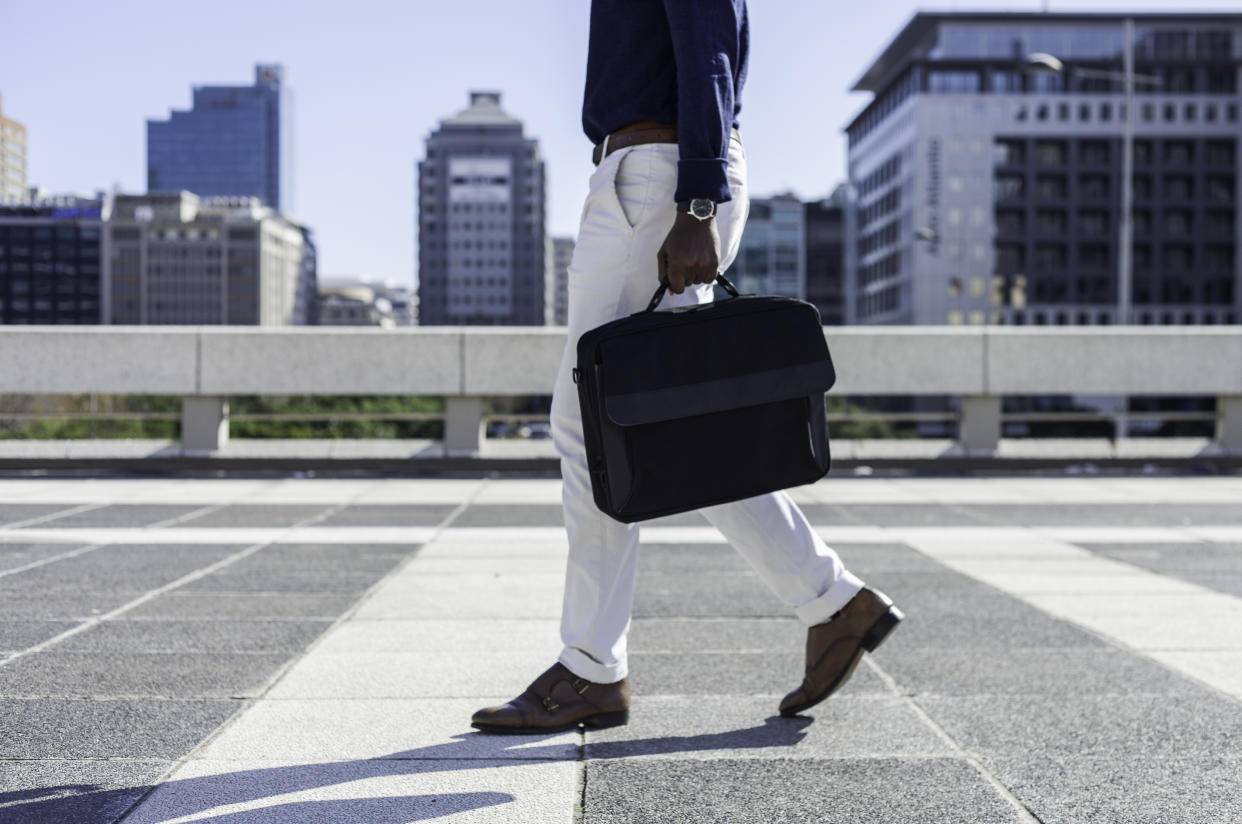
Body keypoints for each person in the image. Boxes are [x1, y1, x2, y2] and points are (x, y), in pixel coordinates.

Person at [471, 0, 902, 734]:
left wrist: (696, 200)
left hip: (659, 174)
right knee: (681, 434)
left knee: (590, 429)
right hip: (653, 170)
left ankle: (591, 669)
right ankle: (834, 605)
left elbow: (706, 50)